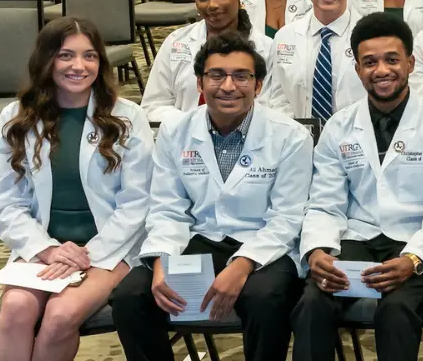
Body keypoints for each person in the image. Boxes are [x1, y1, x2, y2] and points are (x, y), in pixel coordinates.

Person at [111, 34, 312, 361]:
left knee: (264, 298)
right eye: (216, 75)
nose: (228, 86)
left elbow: (288, 218)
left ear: (258, 85)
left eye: (241, 76)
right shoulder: (175, 132)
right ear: (199, 82)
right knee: (130, 296)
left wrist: (242, 266)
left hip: (263, 246)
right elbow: (166, 208)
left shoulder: (290, 136)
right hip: (197, 238)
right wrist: (162, 260)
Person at [291, 13, 423, 361]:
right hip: (357, 240)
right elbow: (325, 202)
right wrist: (317, 250)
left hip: (416, 241)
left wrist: (414, 258)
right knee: (312, 303)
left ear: (410, 63)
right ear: (357, 69)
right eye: (369, 62)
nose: (382, 70)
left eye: (392, 59)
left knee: (396, 309)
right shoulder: (339, 126)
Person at [0, 17, 154, 361]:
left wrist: (85, 254)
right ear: (46, 60)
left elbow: (137, 203)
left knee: (60, 317)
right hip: (44, 247)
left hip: (108, 248)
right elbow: (4, 203)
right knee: (16, 309)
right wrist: (46, 249)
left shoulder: (128, 116)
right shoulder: (16, 117)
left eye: (90, 56)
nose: (79, 66)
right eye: (66, 56)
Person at [143, 0, 274, 125]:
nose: (212, 5)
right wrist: (194, 125)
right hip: (183, 138)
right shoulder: (176, 42)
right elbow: (153, 105)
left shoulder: (266, 48)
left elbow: (270, 109)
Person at [260, 0, 367, 120]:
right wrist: (294, 133)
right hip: (297, 138)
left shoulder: (369, 36)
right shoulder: (285, 37)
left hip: (358, 137)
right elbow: (277, 96)